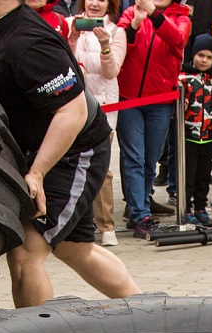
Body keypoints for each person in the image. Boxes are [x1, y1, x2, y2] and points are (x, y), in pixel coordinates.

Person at [0, 0, 141, 306]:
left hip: (73, 149)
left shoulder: (30, 41)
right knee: (73, 247)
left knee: (25, 252)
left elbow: (72, 111)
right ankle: (149, 312)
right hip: (28, 147)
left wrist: (37, 173)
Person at [115, 0, 190, 237]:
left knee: (150, 160)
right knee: (133, 157)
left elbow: (177, 39)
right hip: (129, 98)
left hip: (160, 100)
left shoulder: (182, 17)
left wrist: (154, 14)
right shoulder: (129, 13)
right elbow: (120, 46)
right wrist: (135, 24)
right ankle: (140, 214)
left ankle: (140, 207)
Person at [69, 0, 127, 245]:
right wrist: (71, 37)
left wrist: (105, 46)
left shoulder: (116, 32)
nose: (95, 3)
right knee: (70, 166)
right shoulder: (69, 24)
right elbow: (60, 62)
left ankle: (106, 226)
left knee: (101, 169)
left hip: (104, 106)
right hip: (71, 104)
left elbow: (111, 72)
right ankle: (72, 224)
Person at [179, 33, 212, 227]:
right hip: (188, 137)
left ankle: (201, 208)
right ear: (193, 54)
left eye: (209, 57)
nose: (204, 60)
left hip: (209, 137)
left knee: (204, 177)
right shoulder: (183, 78)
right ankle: (186, 209)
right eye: (200, 55)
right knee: (188, 176)